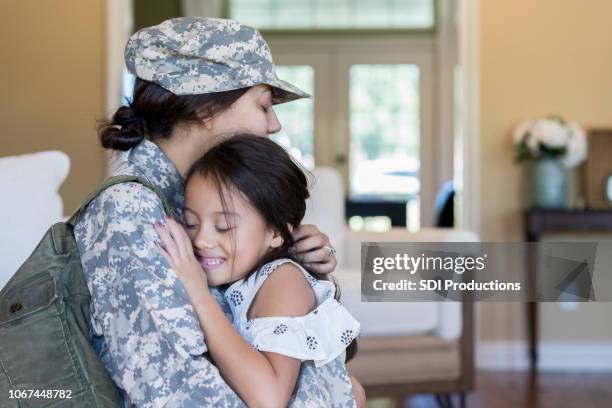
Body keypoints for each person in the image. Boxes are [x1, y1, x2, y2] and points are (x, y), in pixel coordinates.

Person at [74, 17, 351, 407]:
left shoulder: (180, 198)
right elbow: (175, 392)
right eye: (264, 105)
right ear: (206, 105)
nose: (274, 124)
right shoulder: (131, 212)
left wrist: (285, 258)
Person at [154, 135, 361, 407]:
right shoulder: (244, 277)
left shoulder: (282, 279)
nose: (201, 240)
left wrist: (198, 293)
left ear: (276, 232)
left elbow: (269, 398)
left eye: (224, 227)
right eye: (191, 224)